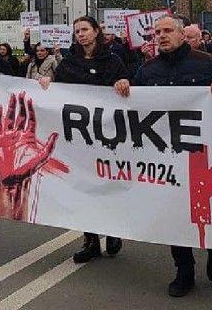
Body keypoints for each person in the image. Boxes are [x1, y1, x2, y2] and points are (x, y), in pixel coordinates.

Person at [114, 14, 212, 298]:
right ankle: (184, 269)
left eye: (168, 30)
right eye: (158, 32)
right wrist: (123, 86)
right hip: (166, 154)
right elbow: (134, 101)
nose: (162, 35)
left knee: (209, 206)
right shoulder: (147, 69)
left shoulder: (206, 63)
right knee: (174, 212)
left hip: (203, 151)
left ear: (181, 34)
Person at [38, 15, 130, 264]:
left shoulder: (113, 60)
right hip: (78, 140)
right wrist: (48, 83)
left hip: (107, 138)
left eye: (85, 29)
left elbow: (128, 91)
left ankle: (112, 231)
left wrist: (123, 82)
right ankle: (90, 240)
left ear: (96, 31)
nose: (81, 34)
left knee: (107, 187)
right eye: (77, 31)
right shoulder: (69, 63)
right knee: (83, 189)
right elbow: (57, 92)